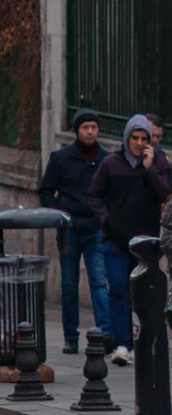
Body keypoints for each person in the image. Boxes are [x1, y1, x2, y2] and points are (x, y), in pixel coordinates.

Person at [89, 115, 171, 364]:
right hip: (115, 239)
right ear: (126, 138)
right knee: (118, 289)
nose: (138, 143)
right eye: (134, 138)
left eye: (144, 138)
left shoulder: (158, 163)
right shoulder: (111, 163)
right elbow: (94, 195)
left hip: (146, 242)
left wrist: (149, 170)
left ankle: (142, 341)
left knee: (144, 293)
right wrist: (106, 219)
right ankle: (122, 343)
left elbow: (166, 194)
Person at [39, 108, 110, 354]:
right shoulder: (61, 158)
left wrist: (105, 217)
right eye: (85, 127)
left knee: (99, 281)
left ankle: (105, 333)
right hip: (69, 229)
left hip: (96, 228)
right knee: (69, 284)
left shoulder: (105, 159)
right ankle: (71, 335)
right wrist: (59, 215)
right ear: (77, 131)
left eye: (94, 127)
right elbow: (46, 191)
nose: (90, 132)